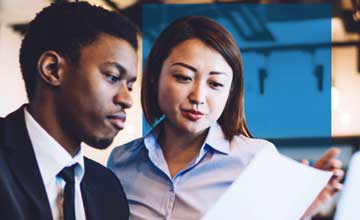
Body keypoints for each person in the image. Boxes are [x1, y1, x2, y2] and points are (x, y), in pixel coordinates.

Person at [108, 16, 343, 220]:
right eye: (183, 77)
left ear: (230, 92)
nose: (198, 96)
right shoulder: (121, 161)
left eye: (215, 84)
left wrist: (300, 211)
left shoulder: (256, 159)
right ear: (154, 77)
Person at [0, 2, 138, 220]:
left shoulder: (108, 189)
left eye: (129, 85)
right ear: (53, 70)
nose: (127, 99)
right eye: (112, 77)